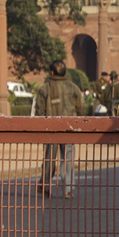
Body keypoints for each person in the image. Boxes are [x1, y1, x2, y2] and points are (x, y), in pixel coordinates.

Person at [33, 60, 85, 198]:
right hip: (69, 129)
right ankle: (67, 190)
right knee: (68, 159)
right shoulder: (74, 88)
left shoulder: (45, 89)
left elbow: (40, 112)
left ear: (51, 72)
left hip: (51, 130)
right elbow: (80, 109)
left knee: (49, 158)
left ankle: (45, 185)